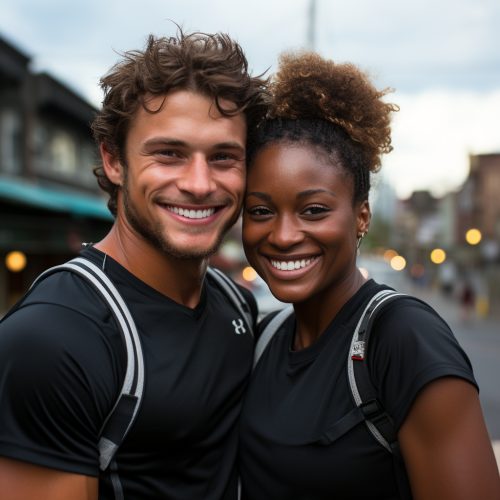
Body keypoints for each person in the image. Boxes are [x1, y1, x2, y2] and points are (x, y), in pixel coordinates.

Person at [0, 30, 268, 500]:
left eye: (224, 157)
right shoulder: (53, 339)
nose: (200, 184)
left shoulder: (236, 303)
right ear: (114, 160)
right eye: (170, 154)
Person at [238, 51, 500, 500]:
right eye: (261, 210)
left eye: (314, 210)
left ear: (361, 218)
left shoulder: (402, 339)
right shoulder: (264, 339)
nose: (282, 235)